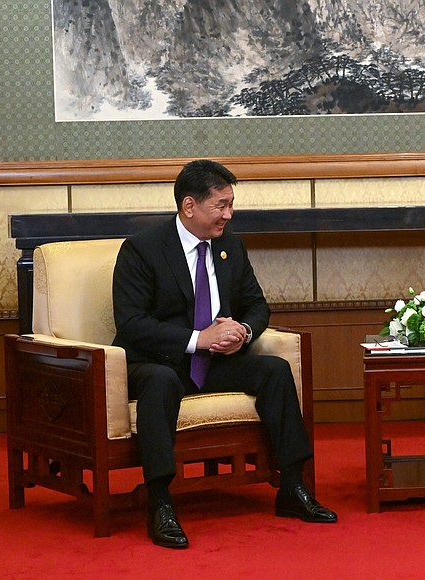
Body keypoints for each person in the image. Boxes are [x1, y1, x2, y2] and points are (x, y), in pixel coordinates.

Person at [113, 159, 337, 549]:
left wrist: (242, 333)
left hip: (215, 363)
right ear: (189, 205)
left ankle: (292, 486)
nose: (228, 215)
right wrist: (198, 339)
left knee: (274, 370)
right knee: (161, 381)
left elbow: (257, 306)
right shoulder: (143, 250)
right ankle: (160, 503)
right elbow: (131, 322)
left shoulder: (230, 246)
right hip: (156, 363)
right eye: (221, 205)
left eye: (231, 204)